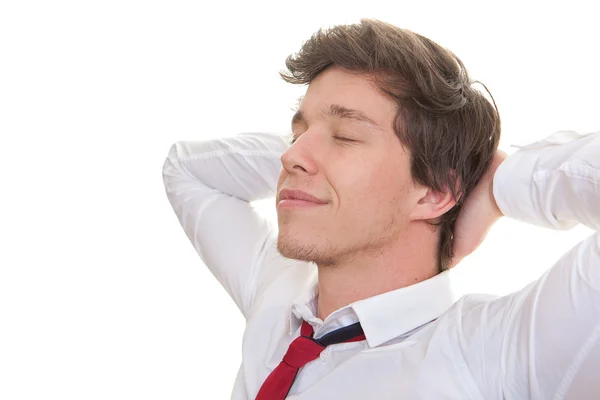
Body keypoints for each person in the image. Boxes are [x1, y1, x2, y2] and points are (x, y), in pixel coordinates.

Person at [162, 19, 600, 400]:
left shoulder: (498, 354)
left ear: (434, 192)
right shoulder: (279, 291)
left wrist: (502, 185)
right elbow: (187, 170)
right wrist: (317, 155)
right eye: (297, 132)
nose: (289, 155)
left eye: (347, 136)